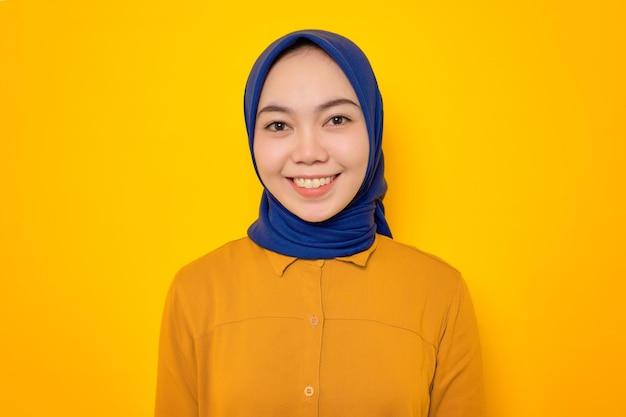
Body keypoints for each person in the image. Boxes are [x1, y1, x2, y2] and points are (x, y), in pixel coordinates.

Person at [155, 29, 483, 417]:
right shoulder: (195, 293)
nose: (308, 153)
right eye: (279, 125)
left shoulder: (441, 293)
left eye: (337, 119)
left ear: (373, 128)